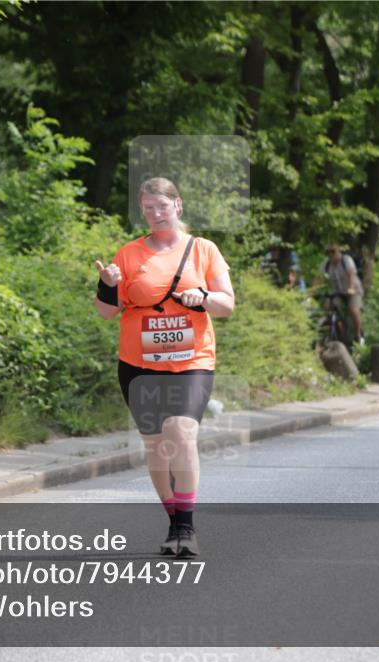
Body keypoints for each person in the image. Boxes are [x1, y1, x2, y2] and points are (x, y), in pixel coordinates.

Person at [93, 177, 234, 558]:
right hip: (138, 363)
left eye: (162, 206)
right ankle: (174, 523)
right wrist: (107, 283)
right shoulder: (129, 253)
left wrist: (202, 296)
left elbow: (227, 303)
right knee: (156, 444)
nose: (155, 214)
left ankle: (186, 527)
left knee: (180, 432)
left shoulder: (204, 250)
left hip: (192, 359)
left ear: (178, 205)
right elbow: (107, 312)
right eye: (148, 208)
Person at [320, 244, 364, 344]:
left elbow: (351, 275)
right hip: (338, 292)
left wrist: (351, 288)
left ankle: (358, 336)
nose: (330, 254)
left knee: (353, 310)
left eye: (333, 251)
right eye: (328, 252)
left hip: (354, 290)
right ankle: (339, 333)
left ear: (339, 251)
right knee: (328, 307)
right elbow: (318, 277)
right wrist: (312, 291)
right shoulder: (326, 263)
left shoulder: (346, 260)